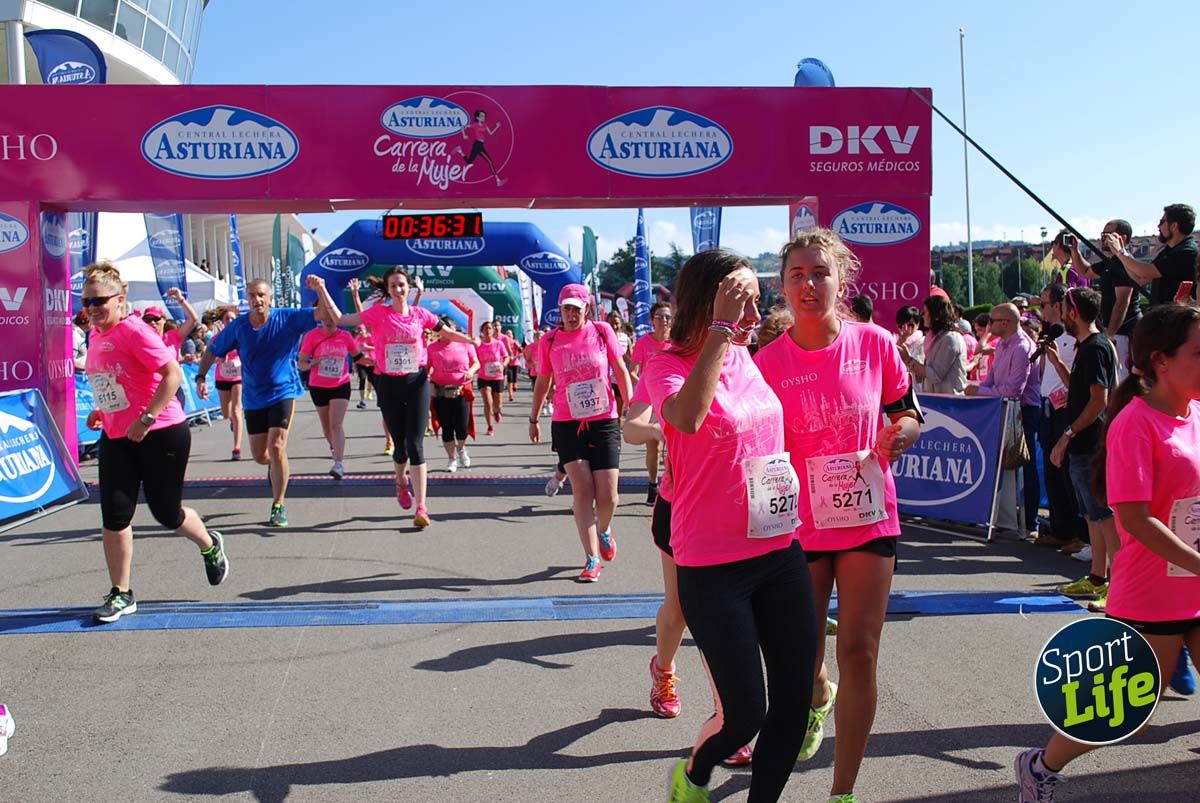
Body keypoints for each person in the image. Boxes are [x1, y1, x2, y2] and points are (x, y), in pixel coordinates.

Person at [642, 249, 817, 803]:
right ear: (709, 302)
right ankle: (694, 771)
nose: (752, 313)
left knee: (793, 702)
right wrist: (718, 329)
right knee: (744, 717)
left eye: (753, 301)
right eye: (741, 301)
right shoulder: (666, 364)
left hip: (778, 549)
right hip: (712, 564)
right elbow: (688, 418)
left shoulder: (748, 356)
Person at [755, 229, 921, 803]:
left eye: (819, 273)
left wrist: (901, 433)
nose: (808, 284)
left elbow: (908, 414)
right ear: (782, 287)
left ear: (840, 280)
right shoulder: (767, 361)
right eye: (796, 275)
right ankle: (815, 694)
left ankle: (842, 791)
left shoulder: (874, 343)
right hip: (798, 527)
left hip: (868, 517)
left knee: (860, 650)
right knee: (800, 661)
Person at [1015, 303, 1200, 803]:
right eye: (1199, 353)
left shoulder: (1195, 413)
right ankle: (1040, 765)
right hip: (1153, 592)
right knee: (1120, 708)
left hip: (1196, 586)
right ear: (1161, 361)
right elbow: (1136, 519)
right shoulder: (1135, 423)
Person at [81, 263, 228, 624]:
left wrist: (145, 418)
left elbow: (173, 375)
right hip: (118, 435)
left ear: (120, 298)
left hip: (161, 431)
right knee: (115, 515)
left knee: (166, 512)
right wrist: (103, 409)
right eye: (87, 302)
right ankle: (121, 593)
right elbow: (115, 380)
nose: (93, 308)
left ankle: (209, 545)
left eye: (100, 301)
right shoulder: (96, 335)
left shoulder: (135, 331)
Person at [310, 269, 476, 528]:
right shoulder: (379, 314)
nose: (399, 289)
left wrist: (471, 340)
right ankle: (400, 482)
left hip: (417, 381)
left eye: (402, 285)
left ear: (409, 288)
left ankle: (422, 507)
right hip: (388, 384)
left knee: (416, 444)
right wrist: (321, 290)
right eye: (394, 286)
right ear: (388, 290)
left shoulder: (422, 315)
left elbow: (448, 333)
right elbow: (342, 318)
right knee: (399, 446)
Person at [197, 278, 324, 528]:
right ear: (248, 299)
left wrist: (320, 289)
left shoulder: (287, 317)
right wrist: (201, 376)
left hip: (283, 391)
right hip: (254, 397)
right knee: (261, 455)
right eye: (252, 296)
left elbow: (322, 313)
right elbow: (212, 349)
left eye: (261, 295)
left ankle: (278, 504)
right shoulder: (240, 326)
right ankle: (276, 468)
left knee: (277, 446)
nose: (257, 300)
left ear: (270, 298)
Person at [530, 284, 632, 582]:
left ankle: (604, 529)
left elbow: (620, 368)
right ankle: (591, 558)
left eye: (577, 308)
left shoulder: (602, 332)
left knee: (609, 495)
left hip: (604, 419)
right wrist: (534, 417)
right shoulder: (549, 341)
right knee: (583, 490)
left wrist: (630, 407)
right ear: (559, 310)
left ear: (587, 308)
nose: (572, 314)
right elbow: (543, 381)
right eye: (566, 309)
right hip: (567, 422)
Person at [1045, 287, 1120, 611]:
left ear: (1073, 312)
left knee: (1103, 516)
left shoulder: (1096, 348)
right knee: (1092, 514)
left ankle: (1119, 585)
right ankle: (1097, 577)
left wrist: (1068, 433)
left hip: (1092, 444)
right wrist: (1058, 363)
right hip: (1083, 444)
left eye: (1063, 309)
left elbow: (1100, 399)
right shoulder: (1087, 348)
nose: (1061, 314)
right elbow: (1079, 388)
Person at [966, 303, 1042, 539]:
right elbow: (992, 380)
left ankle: (1029, 521)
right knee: (1004, 467)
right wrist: (979, 388)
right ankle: (1006, 518)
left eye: (993, 320)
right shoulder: (1003, 347)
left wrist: (979, 391)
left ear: (1006, 322)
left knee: (1024, 467)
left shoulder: (1021, 348)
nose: (990, 325)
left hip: (1023, 412)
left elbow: (1013, 390)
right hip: (1003, 409)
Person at [1032, 284, 1088, 554]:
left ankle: (1079, 533)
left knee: (1067, 471)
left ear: (1058, 306)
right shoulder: (1050, 334)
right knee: (1053, 470)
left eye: (1044, 305)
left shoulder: (1074, 337)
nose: (1041, 310)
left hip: (1064, 408)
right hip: (1046, 405)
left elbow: (1076, 378)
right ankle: (1061, 529)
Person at [297, 313, 363, 480]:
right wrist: (313, 363)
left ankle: (338, 464)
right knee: (326, 427)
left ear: (337, 319)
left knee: (336, 424)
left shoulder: (345, 336)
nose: (328, 321)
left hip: (340, 385)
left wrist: (375, 362)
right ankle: (335, 448)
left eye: (331, 318)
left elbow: (358, 357)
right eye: (324, 318)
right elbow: (301, 363)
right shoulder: (312, 336)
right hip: (318, 386)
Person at [1074, 219, 1140, 378]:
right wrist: (1075, 250)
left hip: (1123, 331)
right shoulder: (1110, 263)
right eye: (1102, 234)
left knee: (1119, 376)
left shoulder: (1124, 263)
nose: (1103, 238)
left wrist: (1110, 334)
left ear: (1122, 238)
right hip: (1112, 330)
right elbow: (1085, 271)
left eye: (1108, 234)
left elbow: (1123, 301)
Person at [1107, 204, 1197, 308]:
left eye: (1162, 222)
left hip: (1176, 320)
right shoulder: (1169, 250)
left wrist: (1120, 251)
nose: (1158, 227)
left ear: (1174, 226)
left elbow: (1145, 273)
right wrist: (1121, 252)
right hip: (1162, 317)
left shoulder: (1186, 252)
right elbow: (1139, 279)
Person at [631, 301, 673, 505]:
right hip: (650, 404)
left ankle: (673, 486)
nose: (664, 320)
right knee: (654, 446)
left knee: (675, 447)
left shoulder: (677, 342)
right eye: (659, 317)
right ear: (651, 321)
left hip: (672, 401)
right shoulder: (643, 343)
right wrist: (647, 388)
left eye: (668, 317)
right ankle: (653, 484)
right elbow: (632, 372)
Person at [428, 318, 479, 473]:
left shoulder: (465, 344)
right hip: (441, 392)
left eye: (451, 328)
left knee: (462, 427)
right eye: (445, 329)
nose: (448, 332)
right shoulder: (432, 348)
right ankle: (452, 459)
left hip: (461, 390)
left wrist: (471, 371)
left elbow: (476, 362)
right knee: (447, 428)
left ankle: (461, 448)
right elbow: (426, 367)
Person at [900, 295, 967, 394]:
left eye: (925, 312)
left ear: (935, 315)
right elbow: (925, 375)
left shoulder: (950, 339)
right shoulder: (934, 338)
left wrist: (909, 360)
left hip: (950, 403)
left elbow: (935, 375)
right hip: (936, 401)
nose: (923, 316)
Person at [212, 307, 244, 461]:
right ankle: (231, 419)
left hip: (238, 376)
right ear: (223, 322)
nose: (230, 321)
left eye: (232, 319)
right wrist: (219, 358)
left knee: (237, 410)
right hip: (222, 376)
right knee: (226, 412)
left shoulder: (242, 335)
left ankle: (236, 448)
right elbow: (211, 356)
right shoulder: (217, 337)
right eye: (227, 319)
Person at [454, 108, 506, 187]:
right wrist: (464, 135)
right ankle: (498, 180)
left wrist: (497, 127)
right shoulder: (475, 124)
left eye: (484, 116)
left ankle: (460, 150)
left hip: (481, 145)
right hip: (477, 145)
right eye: (481, 116)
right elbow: (463, 127)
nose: (483, 118)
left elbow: (491, 133)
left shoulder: (485, 125)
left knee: (469, 161)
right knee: (489, 161)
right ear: (477, 117)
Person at [475, 321, 509, 435]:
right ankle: (490, 426)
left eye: (490, 328)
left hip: (497, 377)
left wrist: (503, 365)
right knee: (487, 402)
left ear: (493, 330)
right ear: (482, 331)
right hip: (483, 377)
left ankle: (497, 411)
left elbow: (506, 357)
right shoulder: (479, 345)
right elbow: (474, 359)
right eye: (485, 328)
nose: (488, 330)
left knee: (497, 404)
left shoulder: (499, 344)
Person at [503, 328, 521, 402]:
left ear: (513, 335)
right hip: (508, 363)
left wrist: (518, 346)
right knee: (509, 379)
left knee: (514, 378)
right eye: (507, 333)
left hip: (515, 362)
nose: (508, 335)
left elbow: (521, 351)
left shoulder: (515, 342)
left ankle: (515, 384)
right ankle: (511, 395)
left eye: (510, 333)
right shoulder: (503, 343)